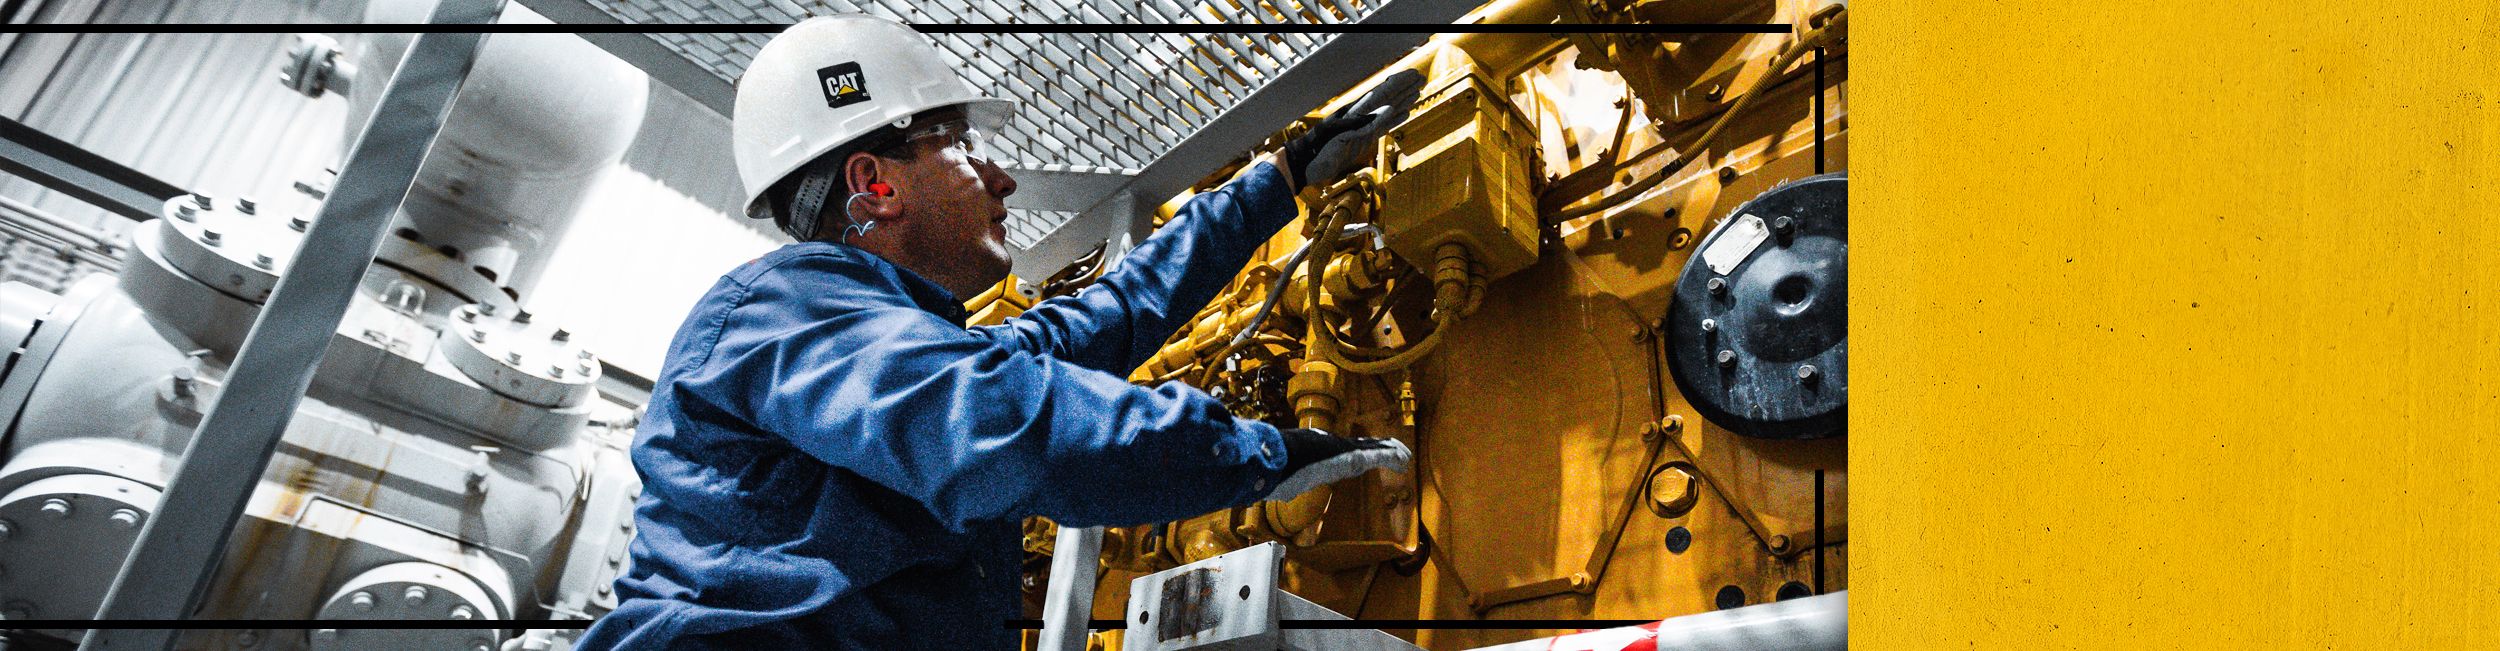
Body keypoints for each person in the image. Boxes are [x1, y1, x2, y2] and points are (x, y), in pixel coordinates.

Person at [576, 15, 1425, 650]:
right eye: (962, 145)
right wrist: (1255, 454)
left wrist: (1279, 180)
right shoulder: (780, 312)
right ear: (873, 184)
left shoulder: (885, 347)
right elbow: (1006, 426)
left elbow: (1102, 320)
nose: (1004, 176)